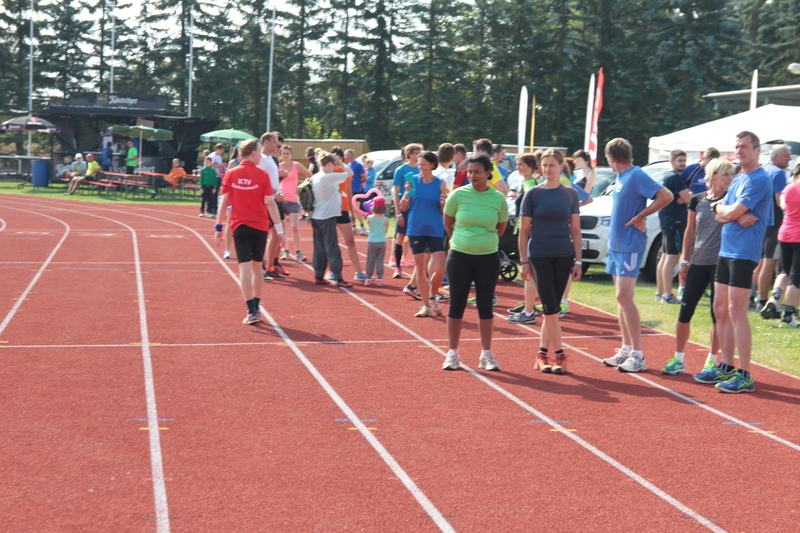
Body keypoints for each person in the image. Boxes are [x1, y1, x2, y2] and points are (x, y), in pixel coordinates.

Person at [694, 131, 773, 393]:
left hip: (744, 252)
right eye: (737, 146)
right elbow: (719, 210)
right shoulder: (738, 178)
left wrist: (728, 212)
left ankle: (745, 374)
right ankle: (726, 366)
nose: (739, 151)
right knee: (720, 309)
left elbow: (727, 211)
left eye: (744, 147)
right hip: (725, 250)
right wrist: (731, 213)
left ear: (757, 150)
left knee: (737, 310)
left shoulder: (760, 179)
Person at [600, 138, 673, 373]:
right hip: (616, 244)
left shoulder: (636, 174)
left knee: (624, 297)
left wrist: (642, 216)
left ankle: (639, 356)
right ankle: (626, 349)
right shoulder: (621, 177)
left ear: (611, 157)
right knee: (620, 299)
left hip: (630, 244)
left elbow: (666, 196)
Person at [659, 159, 734, 376]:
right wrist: (684, 259)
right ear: (713, 176)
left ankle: (712, 360)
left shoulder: (731, 200)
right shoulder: (697, 200)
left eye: (731, 174)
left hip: (720, 264)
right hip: (698, 262)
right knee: (685, 312)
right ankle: (679, 359)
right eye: (725, 174)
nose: (729, 178)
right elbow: (690, 230)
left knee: (716, 314)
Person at [441, 153, 508, 371]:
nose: (472, 175)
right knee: (456, 305)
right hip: (459, 256)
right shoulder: (458, 195)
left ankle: (486, 354)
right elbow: (448, 222)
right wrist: (460, 240)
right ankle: (452, 353)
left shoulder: (498, 199)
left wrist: (482, 241)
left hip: (488, 258)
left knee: (485, 306)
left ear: (488, 173)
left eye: (477, 172)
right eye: (469, 172)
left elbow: (501, 228)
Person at [518, 149, 582, 374]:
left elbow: (576, 230)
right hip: (539, 255)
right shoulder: (533, 194)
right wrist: (524, 261)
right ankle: (561, 355)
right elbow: (523, 231)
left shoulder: (571, 194)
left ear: (561, 167)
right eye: (544, 165)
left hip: (564, 255)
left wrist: (579, 261)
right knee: (551, 308)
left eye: (552, 165)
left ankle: (542, 355)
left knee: (551, 309)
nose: (547, 169)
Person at [213, 138, 284, 325]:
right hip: (260, 226)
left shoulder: (231, 173)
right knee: (257, 268)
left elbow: (224, 203)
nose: (261, 155)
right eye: (259, 152)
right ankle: (257, 307)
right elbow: (271, 204)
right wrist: (280, 230)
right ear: (252, 153)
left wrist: (219, 227)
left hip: (239, 226)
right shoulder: (262, 175)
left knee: (244, 268)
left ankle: (251, 310)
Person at [399, 151, 448, 318]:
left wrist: (444, 203)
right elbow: (403, 206)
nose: (420, 167)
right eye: (419, 164)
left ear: (432, 165)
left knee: (440, 269)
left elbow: (443, 210)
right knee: (420, 269)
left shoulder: (440, 183)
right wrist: (407, 194)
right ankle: (426, 305)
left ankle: (433, 296)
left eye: (423, 164)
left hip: (435, 229)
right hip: (416, 229)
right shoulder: (413, 181)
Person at [753, 144, 791, 311]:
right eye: (786, 155)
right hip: (774, 223)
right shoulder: (779, 173)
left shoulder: (762, 170)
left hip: (760, 222)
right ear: (776, 156)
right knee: (769, 264)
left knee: (760, 263)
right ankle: (762, 301)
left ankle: (753, 297)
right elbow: (780, 201)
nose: (789, 158)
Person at [310, 154, 354, 288]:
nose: (336, 167)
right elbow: (350, 173)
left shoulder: (315, 176)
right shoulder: (329, 177)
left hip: (316, 216)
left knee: (319, 247)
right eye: (334, 165)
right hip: (327, 216)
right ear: (329, 164)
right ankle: (339, 278)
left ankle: (318, 275)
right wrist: (341, 163)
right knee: (332, 247)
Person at [507, 153, 541, 324]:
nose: (518, 168)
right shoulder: (526, 183)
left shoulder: (530, 185)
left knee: (529, 270)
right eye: (517, 164)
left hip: (529, 232)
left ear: (530, 166)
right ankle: (529, 306)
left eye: (521, 164)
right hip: (524, 229)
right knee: (529, 271)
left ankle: (529, 311)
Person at [655, 149, 691, 304]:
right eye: (680, 161)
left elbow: (686, 197)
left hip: (669, 221)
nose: (683, 164)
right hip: (674, 222)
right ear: (672, 162)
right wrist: (687, 197)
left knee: (665, 256)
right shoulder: (673, 177)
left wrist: (686, 196)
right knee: (672, 257)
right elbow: (689, 199)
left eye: (684, 161)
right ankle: (667, 295)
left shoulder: (671, 177)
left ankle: (660, 293)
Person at [258, 132, 289, 279]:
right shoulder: (261, 159)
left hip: (273, 200)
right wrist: (273, 193)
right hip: (264, 202)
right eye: (274, 142)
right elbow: (259, 181)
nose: (277, 145)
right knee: (263, 235)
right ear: (266, 142)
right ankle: (260, 267)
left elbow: (272, 181)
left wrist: (278, 193)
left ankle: (270, 267)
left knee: (276, 234)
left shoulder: (271, 159)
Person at [390, 143, 422, 278]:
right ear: (410, 154)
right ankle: (398, 267)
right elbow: (395, 192)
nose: (420, 155)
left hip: (418, 209)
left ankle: (419, 269)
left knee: (418, 239)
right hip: (405, 208)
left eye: (420, 152)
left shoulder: (422, 169)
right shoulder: (401, 170)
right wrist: (398, 213)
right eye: (417, 152)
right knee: (400, 238)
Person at [279, 145, 313, 262]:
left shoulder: (296, 165)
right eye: (284, 153)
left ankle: (298, 251)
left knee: (294, 227)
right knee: (282, 228)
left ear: (291, 154)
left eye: (287, 153)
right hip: (281, 199)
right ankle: (286, 251)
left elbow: (310, 175)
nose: (286, 155)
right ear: (281, 155)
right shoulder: (278, 166)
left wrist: (302, 186)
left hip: (293, 199)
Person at [364, 197, 389, 286]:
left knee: (370, 260)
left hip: (372, 242)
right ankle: (380, 279)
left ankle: (368, 278)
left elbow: (370, 227)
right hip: (381, 242)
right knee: (380, 260)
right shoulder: (386, 219)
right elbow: (386, 231)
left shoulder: (369, 218)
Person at [345, 149, 368, 234]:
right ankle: (354, 226)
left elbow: (364, 177)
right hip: (350, 190)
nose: (345, 157)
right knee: (351, 209)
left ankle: (362, 226)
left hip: (357, 190)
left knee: (356, 209)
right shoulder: (348, 165)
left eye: (346, 155)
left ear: (350, 155)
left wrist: (358, 183)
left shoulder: (358, 165)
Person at [209, 143, 226, 216]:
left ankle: (215, 208)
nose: (222, 151)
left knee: (216, 193)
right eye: (221, 150)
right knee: (212, 193)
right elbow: (212, 166)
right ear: (217, 149)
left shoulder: (219, 157)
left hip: (218, 176)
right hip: (213, 176)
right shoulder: (212, 156)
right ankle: (211, 208)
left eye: (222, 150)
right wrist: (222, 165)